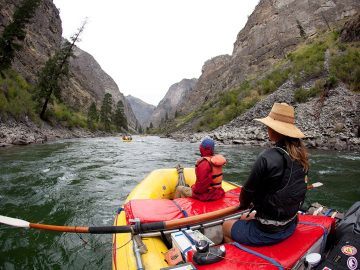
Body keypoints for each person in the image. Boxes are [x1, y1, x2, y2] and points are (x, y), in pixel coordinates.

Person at [223, 102, 309, 246]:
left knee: (226, 226)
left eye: (269, 126)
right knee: (245, 218)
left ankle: (243, 258)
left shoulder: (267, 157)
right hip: (291, 223)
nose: (267, 128)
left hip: (268, 231)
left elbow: (247, 192)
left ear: (275, 130)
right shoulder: (302, 157)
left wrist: (244, 204)